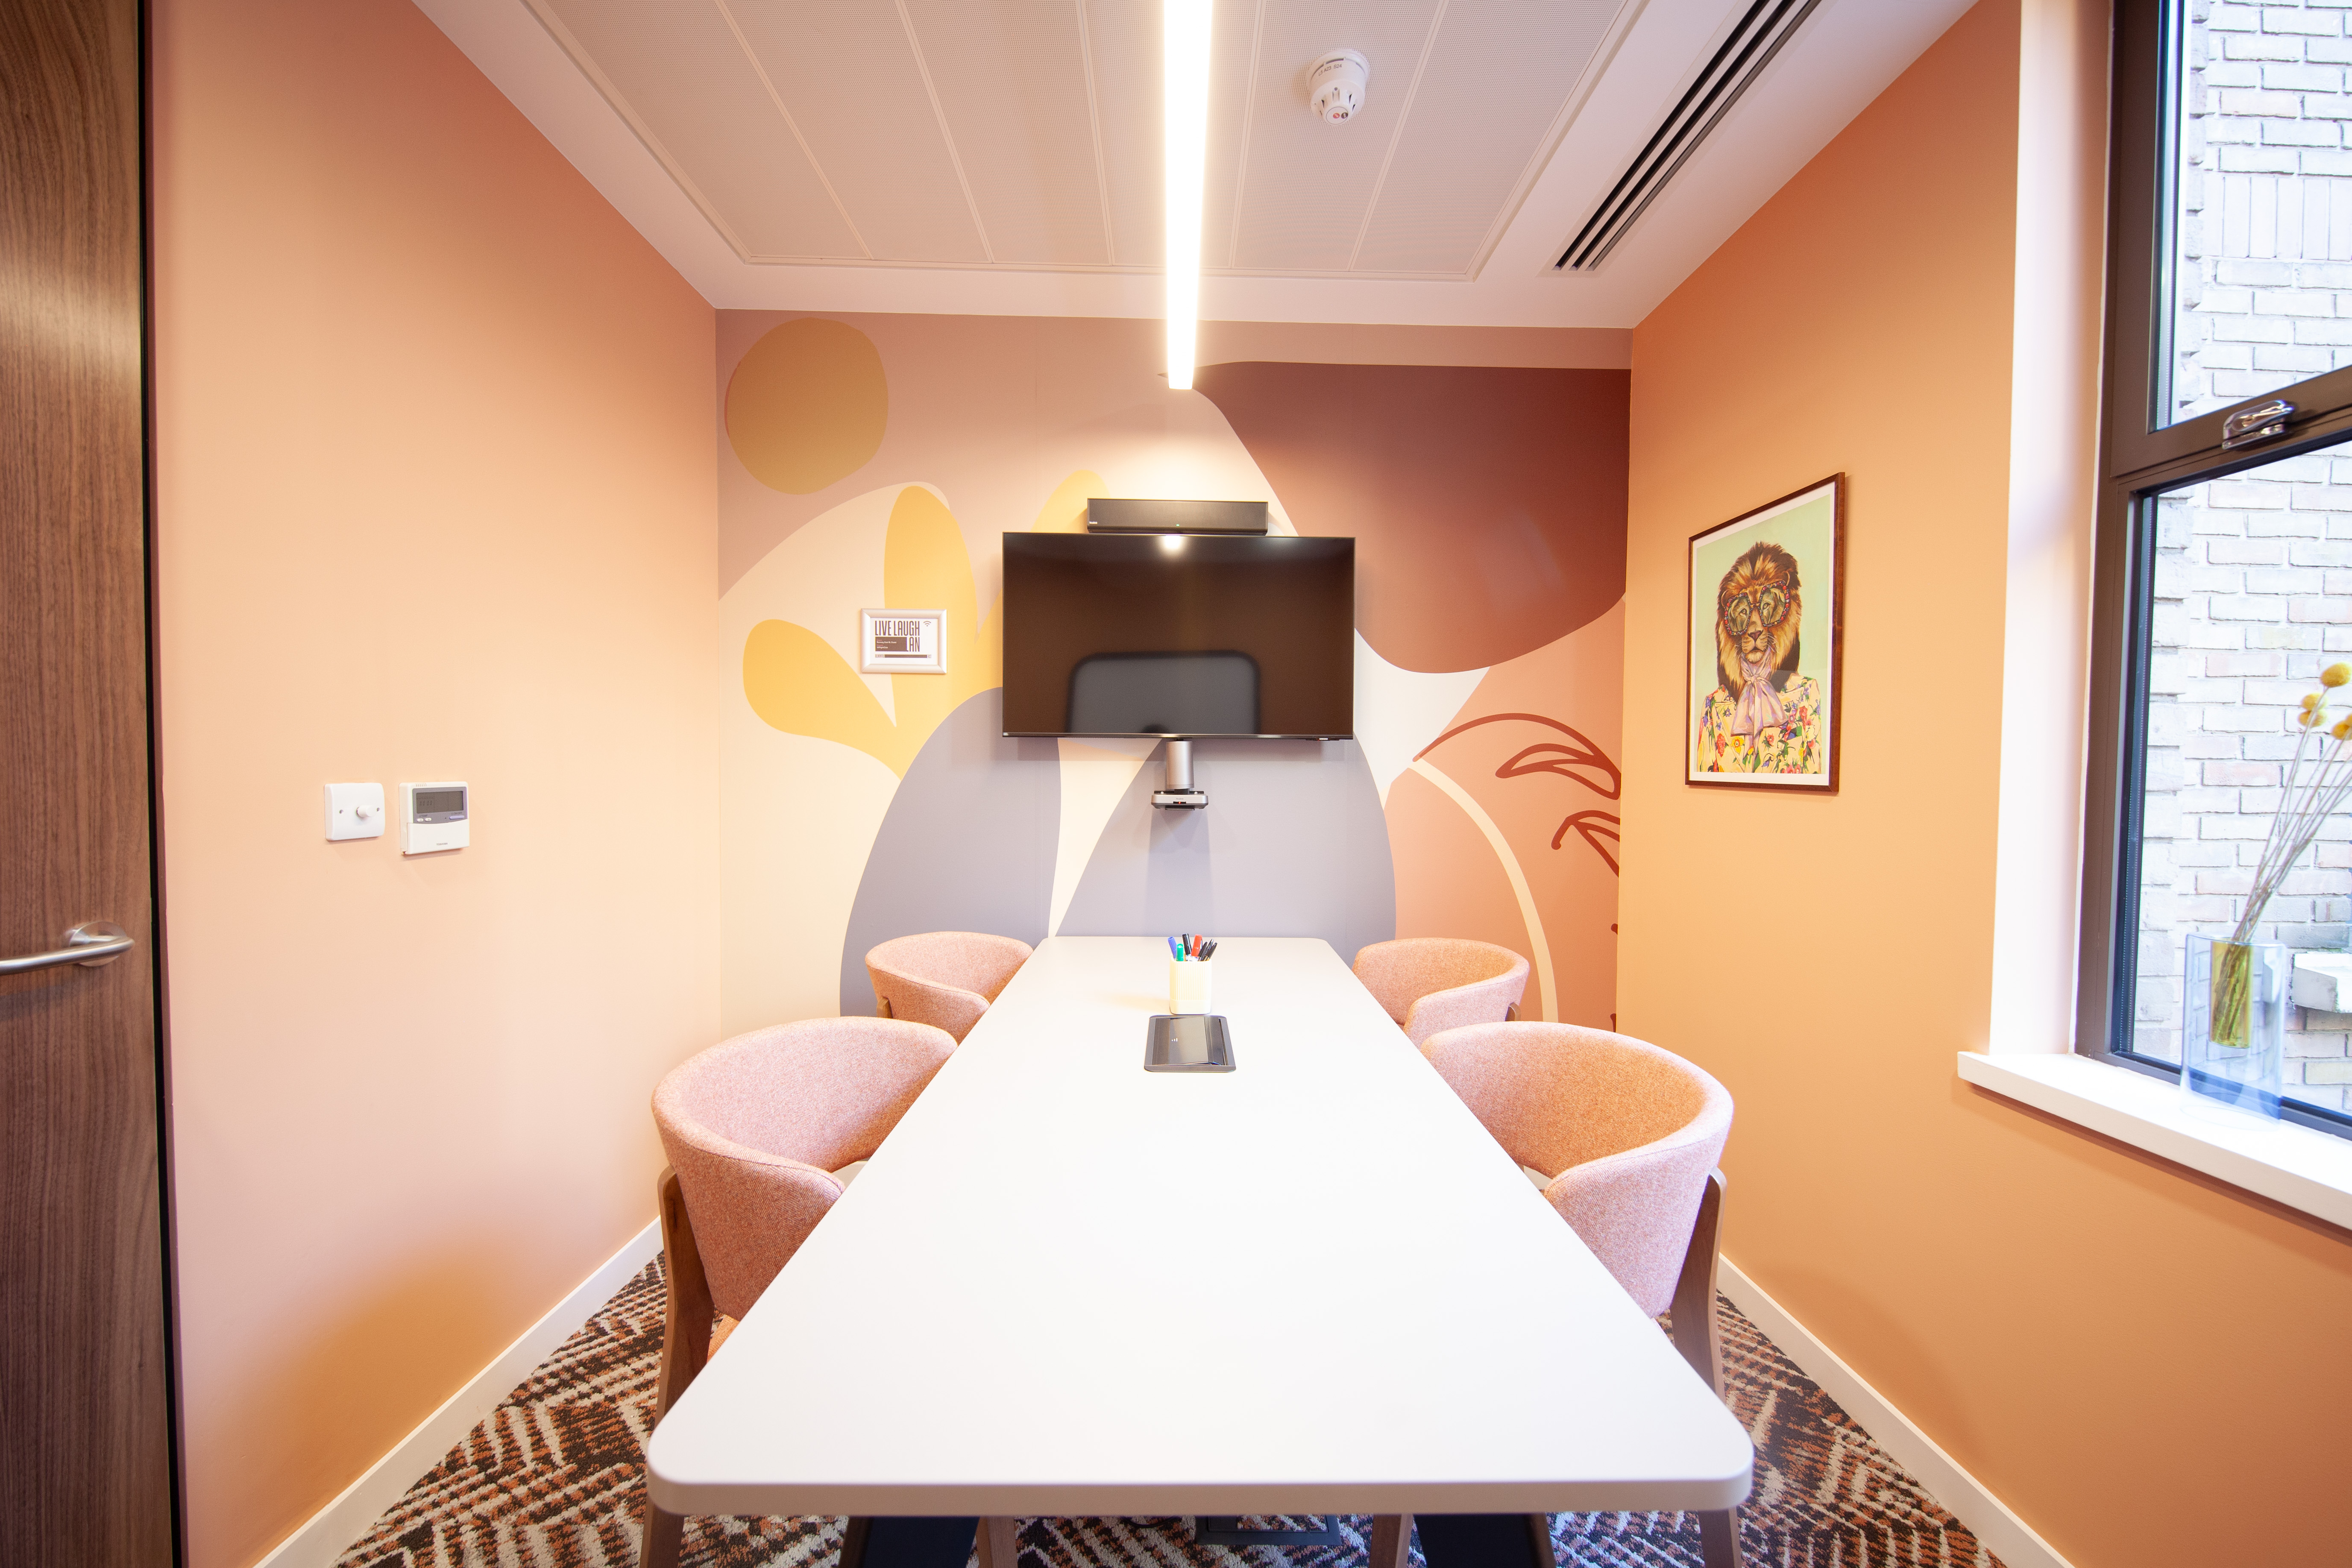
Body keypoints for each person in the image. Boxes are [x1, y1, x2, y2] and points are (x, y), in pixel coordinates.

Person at [1696, 542, 1823, 774]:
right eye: (1742, 612)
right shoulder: (1714, 706)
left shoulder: (1806, 695)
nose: (1754, 628)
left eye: (1767, 607)